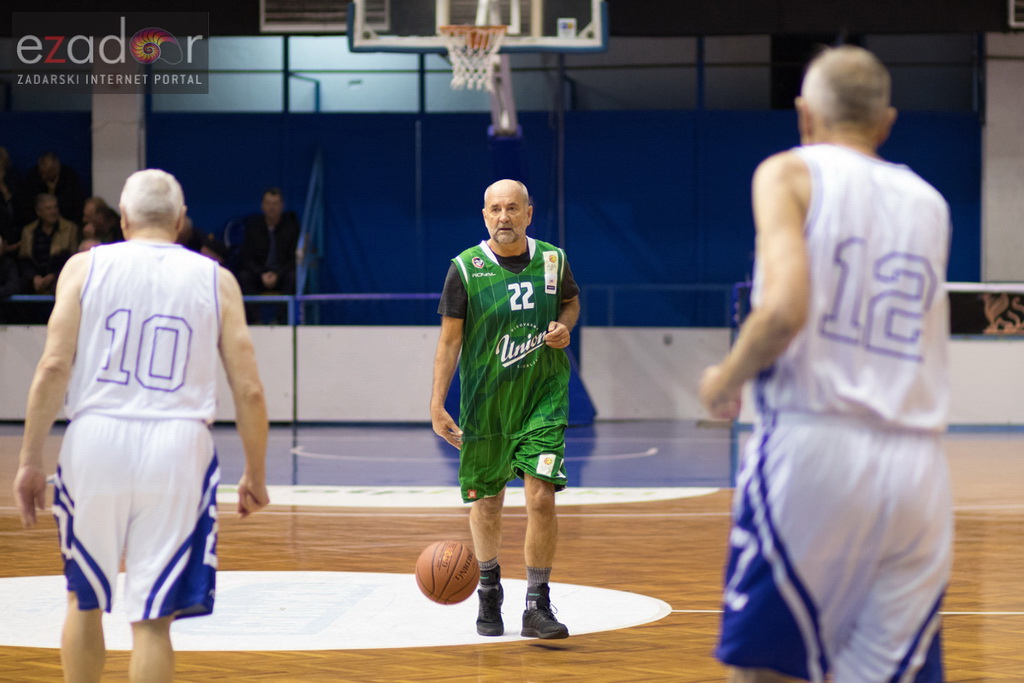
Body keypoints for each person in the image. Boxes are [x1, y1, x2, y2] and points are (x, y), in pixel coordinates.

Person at [698, 46, 952, 682]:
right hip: (920, 471)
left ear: (804, 114)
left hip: (814, 450)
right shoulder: (930, 202)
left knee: (766, 669)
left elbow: (785, 312)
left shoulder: (789, 173)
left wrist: (724, 380)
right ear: (886, 121)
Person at [12, 169, 270, 682]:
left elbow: (52, 367)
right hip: (178, 446)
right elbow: (250, 389)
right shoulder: (215, 278)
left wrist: (29, 461)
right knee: (152, 620)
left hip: (95, 439)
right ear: (180, 220)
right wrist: (255, 474)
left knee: (82, 601)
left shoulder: (83, 269)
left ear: (123, 219)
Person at [430, 179, 580, 640]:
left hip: (542, 397)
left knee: (541, 496)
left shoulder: (553, 260)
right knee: (489, 503)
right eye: (495, 209)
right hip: (486, 404)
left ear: (529, 214)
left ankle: (537, 602)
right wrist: (436, 403)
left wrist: (564, 325)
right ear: (484, 216)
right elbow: (450, 341)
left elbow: (571, 303)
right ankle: (489, 587)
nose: (504, 217)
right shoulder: (465, 268)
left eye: (512, 208)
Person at [237, 187, 299, 297]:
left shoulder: (292, 228)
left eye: (275, 203)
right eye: (268, 203)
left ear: (282, 206)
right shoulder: (253, 227)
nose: (272, 207)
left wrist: (278, 275)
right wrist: (261, 274)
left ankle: (283, 315)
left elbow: (293, 259)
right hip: (259, 275)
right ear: (262, 206)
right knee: (244, 277)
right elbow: (247, 258)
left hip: (282, 275)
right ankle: (252, 315)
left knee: (293, 277)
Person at [18, 193, 78, 295]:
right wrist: (34, 277)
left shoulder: (70, 229)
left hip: (60, 282)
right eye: (48, 208)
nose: (53, 212)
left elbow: (73, 260)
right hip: (33, 285)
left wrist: (54, 276)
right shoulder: (28, 231)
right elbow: (24, 261)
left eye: (55, 207)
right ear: (39, 212)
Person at [18, 151, 85, 228]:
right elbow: (26, 204)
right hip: (38, 224)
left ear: (56, 169)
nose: (43, 176)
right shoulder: (33, 177)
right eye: (42, 172)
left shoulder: (70, 178)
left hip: (66, 222)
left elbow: (77, 205)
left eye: (47, 173)